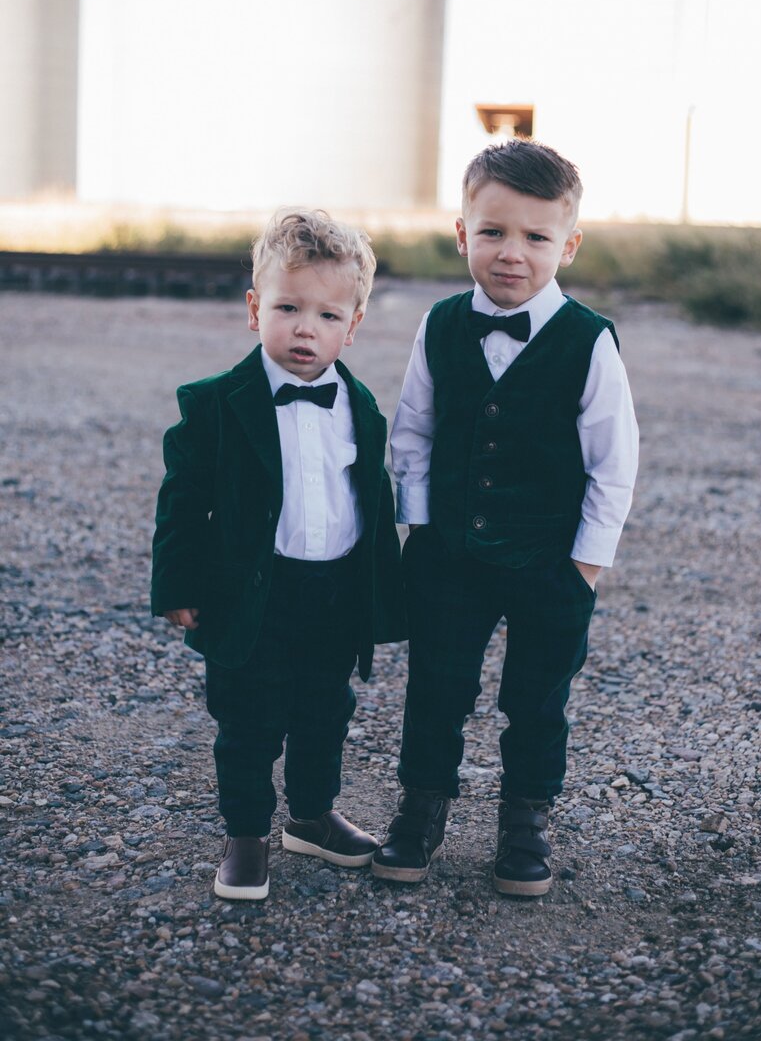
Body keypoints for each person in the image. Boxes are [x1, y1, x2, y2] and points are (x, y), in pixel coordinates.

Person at [372, 140, 638, 896]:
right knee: (436, 688)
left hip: (550, 562)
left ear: (569, 245)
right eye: (492, 232)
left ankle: (525, 820)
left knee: (536, 698)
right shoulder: (441, 324)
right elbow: (413, 427)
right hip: (448, 555)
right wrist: (419, 524)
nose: (511, 253)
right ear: (462, 234)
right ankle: (420, 810)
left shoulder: (589, 342)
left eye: (535, 237)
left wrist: (584, 568)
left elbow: (614, 461)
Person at [151, 210, 405, 901]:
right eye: (288, 308)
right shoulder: (214, 405)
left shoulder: (360, 406)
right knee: (248, 720)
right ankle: (246, 835)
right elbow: (181, 503)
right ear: (255, 308)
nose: (304, 328)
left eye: (326, 315)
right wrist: (176, 585)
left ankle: (313, 816)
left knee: (327, 711)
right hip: (250, 594)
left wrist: (387, 594)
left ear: (351, 326)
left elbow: (372, 503)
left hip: (334, 593)